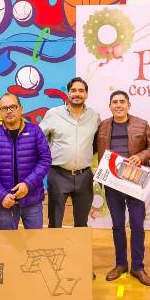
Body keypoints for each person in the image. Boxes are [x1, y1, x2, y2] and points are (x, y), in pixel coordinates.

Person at [95, 90, 150, 286]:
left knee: (137, 225)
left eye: (122, 101)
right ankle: (120, 264)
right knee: (117, 225)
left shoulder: (142, 124)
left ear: (128, 105)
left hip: (135, 180)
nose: (119, 105)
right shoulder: (103, 126)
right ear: (110, 106)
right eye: (115, 102)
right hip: (112, 182)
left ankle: (138, 266)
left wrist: (141, 156)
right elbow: (94, 148)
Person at [0, 93, 51, 229]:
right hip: (5, 203)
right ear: (0, 112)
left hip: (32, 200)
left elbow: (45, 160)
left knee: (35, 240)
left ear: (21, 108)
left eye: (12, 107)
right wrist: (1, 195)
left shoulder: (35, 131)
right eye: (4, 108)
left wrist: (28, 184)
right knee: (8, 242)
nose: (9, 111)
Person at [39, 77, 100, 228]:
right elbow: (38, 138)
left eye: (81, 91)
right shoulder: (53, 114)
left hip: (84, 176)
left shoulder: (94, 116)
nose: (77, 94)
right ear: (68, 93)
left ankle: (79, 245)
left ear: (86, 94)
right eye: (73, 90)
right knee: (55, 223)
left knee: (81, 223)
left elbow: (97, 143)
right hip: (58, 174)